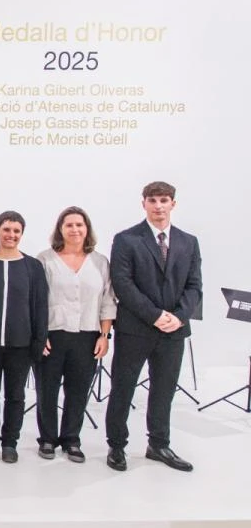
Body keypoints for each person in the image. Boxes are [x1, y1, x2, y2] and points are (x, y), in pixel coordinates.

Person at [105, 181, 202, 473]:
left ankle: (158, 444)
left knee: (164, 390)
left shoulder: (189, 241)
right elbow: (122, 283)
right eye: (153, 200)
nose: (158, 205)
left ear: (173, 203)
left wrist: (179, 317)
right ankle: (117, 445)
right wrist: (155, 314)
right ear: (143, 203)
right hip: (136, 328)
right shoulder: (126, 239)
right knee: (123, 387)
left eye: (164, 200)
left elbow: (195, 286)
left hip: (173, 331)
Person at [36, 206, 115, 463]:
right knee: (47, 389)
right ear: (60, 229)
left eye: (79, 225)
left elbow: (108, 301)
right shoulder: (45, 259)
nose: (74, 229)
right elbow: (36, 301)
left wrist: (104, 335)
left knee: (78, 390)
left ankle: (71, 439)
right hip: (53, 335)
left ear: (87, 229)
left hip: (87, 335)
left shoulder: (100, 262)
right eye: (69, 225)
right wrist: (40, 335)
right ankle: (47, 439)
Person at [0, 211, 47, 463]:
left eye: (16, 231)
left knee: (16, 395)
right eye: (7, 229)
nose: (11, 235)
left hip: (21, 344)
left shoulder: (32, 267)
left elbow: (41, 306)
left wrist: (39, 341)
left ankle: (10, 442)